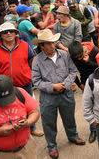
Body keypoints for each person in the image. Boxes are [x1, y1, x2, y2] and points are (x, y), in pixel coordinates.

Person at [31, 29, 86, 159]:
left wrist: (65, 84)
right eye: (48, 44)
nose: (52, 46)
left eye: (53, 42)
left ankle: (73, 136)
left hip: (66, 94)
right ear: (41, 46)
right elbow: (36, 81)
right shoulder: (37, 60)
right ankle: (52, 146)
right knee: (48, 122)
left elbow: (73, 71)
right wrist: (52, 87)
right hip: (48, 97)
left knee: (69, 117)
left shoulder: (64, 55)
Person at [0, 22, 44, 137]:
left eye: (11, 31)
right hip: (4, 87)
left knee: (28, 107)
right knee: (6, 108)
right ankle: (9, 129)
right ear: (0, 35)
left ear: (16, 33)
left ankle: (32, 128)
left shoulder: (25, 46)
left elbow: (32, 60)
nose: (8, 33)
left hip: (24, 84)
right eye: (5, 32)